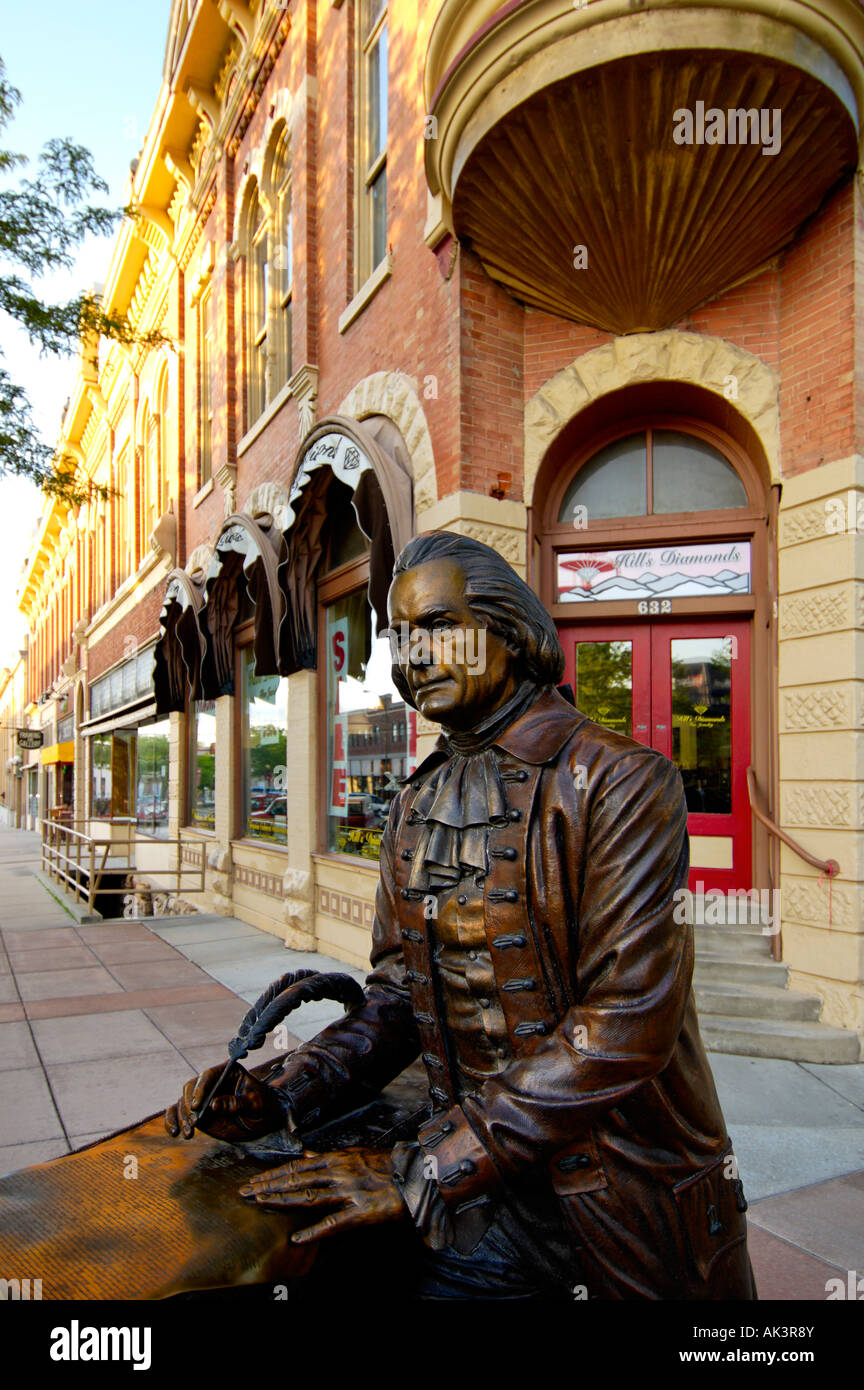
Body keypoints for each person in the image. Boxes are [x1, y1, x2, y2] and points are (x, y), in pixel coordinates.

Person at [166, 530, 756, 1300]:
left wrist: (429, 1171)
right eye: (401, 636)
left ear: (509, 631)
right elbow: (398, 998)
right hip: (476, 1204)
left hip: (613, 1202)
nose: (414, 655)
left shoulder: (620, 782)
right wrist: (285, 1090)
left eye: (440, 626)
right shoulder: (414, 804)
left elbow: (626, 1022)